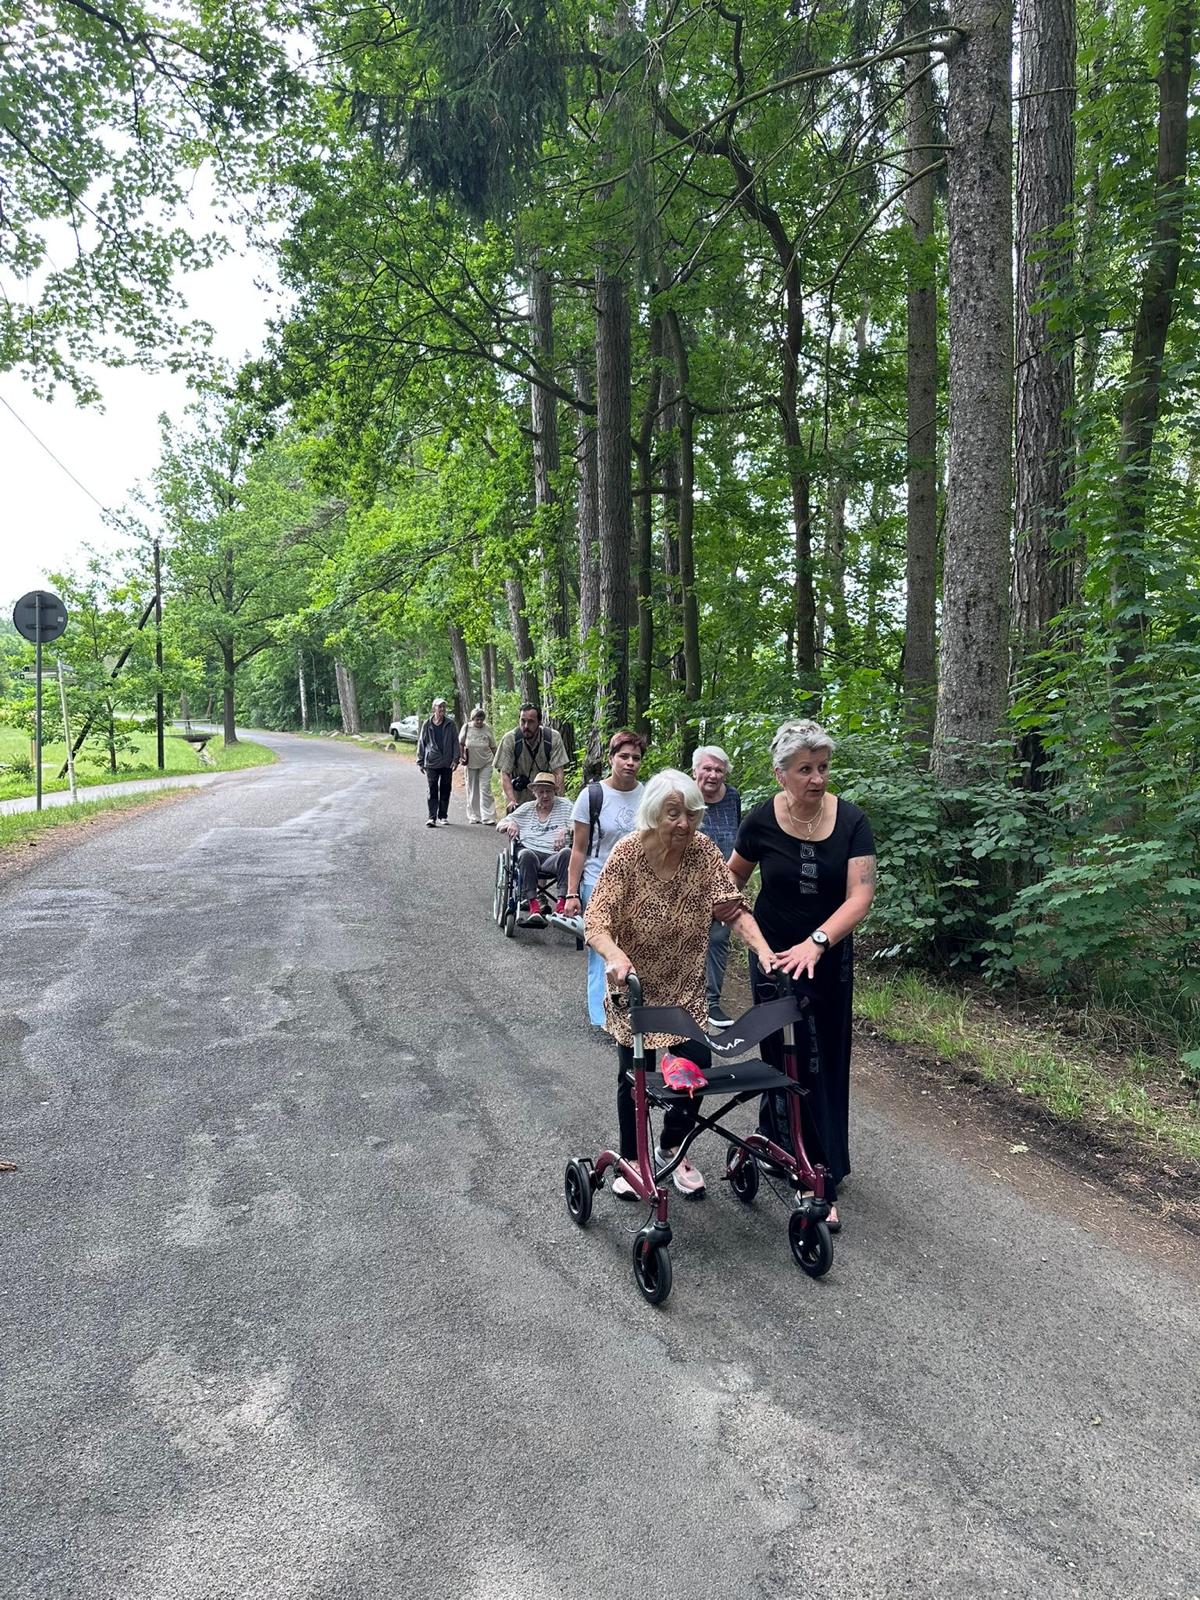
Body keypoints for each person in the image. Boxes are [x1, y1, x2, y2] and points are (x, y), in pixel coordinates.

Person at [584, 769, 778, 1199]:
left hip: (685, 988)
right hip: (634, 986)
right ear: (654, 814)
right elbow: (596, 920)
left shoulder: (703, 852)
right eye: (674, 814)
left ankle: (671, 1146)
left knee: (695, 1069)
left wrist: (764, 951)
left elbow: (732, 908)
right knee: (635, 1077)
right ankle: (633, 1159)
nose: (684, 824)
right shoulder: (628, 854)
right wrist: (614, 955)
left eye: (692, 814)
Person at [727, 718, 876, 1233]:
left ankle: (819, 1174)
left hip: (826, 958)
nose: (817, 778)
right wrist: (750, 934)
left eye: (823, 767)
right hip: (772, 958)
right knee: (778, 1055)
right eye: (805, 769)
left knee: (819, 1060)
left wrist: (817, 942)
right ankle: (778, 1142)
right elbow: (732, 881)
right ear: (781, 774)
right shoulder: (760, 820)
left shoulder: (852, 820)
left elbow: (860, 896)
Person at [563, 730, 646, 1028]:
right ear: (611, 758)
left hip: (637, 886)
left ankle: (632, 1008)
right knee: (602, 950)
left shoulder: (648, 795)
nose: (630, 763)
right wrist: (572, 893)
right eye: (623, 756)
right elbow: (579, 849)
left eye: (636, 758)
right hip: (597, 882)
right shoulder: (592, 796)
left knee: (635, 947)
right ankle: (603, 1017)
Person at [692, 745, 742, 1029]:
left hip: (724, 883)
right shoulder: (683, 796)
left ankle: (711, 1001)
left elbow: (738, 836)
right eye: (707, 769)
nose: (713, 775)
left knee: (718, 940)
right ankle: (677, 997)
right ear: (695, 771)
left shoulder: (732, 796)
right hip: (685, 884)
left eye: (719, 770)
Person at [496, 771, 574, 925]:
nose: (545, 795)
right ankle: (534, 907)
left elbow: (579, 826)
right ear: (534, 792)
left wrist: (566, 831)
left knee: (567, 852)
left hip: (554, 856)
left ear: (555, 791)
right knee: (525, 854)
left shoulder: (566, 806)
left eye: (548, 791)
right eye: (541, 791)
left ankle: (560, 906)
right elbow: (500, 825)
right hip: (531, 854)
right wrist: (511, 823)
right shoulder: (527, 808)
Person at [495, 704, 568, 809]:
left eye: (531, 722)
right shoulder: (510, 740)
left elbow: (558, 772)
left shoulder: (552, 738)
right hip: (519, 799)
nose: (526, 726)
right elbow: (505, 774)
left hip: (546, 798)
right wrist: (511, 801)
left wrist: (559, 801)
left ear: (539, 722)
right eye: (523, 721)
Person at [416, 697, 460, 828]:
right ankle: (432, 817)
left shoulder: (450, 724)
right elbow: (422, 742)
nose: (442, 709)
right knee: (432, 789)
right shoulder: (427, 724)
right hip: (432, 762)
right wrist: (420, 760)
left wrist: (455, 759)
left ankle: (443, 816)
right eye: (439, 707)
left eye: (443, 707)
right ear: (434, 708)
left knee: (446, 789)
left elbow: (455, 742)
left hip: (447, 762)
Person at [459, 706, 498, 825]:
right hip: (470, 763)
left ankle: (488, 816)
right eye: (477, 719)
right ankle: (474, 815)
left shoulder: (487, 728)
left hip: (486, 762)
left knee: (485, 789)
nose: (479, 721)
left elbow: (493, 746)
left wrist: (498, 761)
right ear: (473, 719)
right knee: (472, 790)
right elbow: (460, 743)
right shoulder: (466, 727)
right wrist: (461, 756)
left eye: (481, 719)